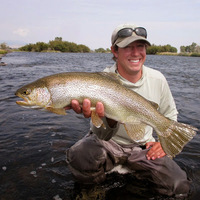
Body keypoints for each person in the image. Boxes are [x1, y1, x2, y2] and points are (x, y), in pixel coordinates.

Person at [66, 23, 191, 197]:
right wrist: (110, 119)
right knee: (79, 154)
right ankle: (93, 191)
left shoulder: (158, 79)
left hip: (141, 146)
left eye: (140, 46)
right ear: (115, 51)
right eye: (127, 47)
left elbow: (170, 114)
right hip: (107, 143)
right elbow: (101, 135)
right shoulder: (101, 81)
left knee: (179, 185)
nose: (135, 53)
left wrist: (162, 144)